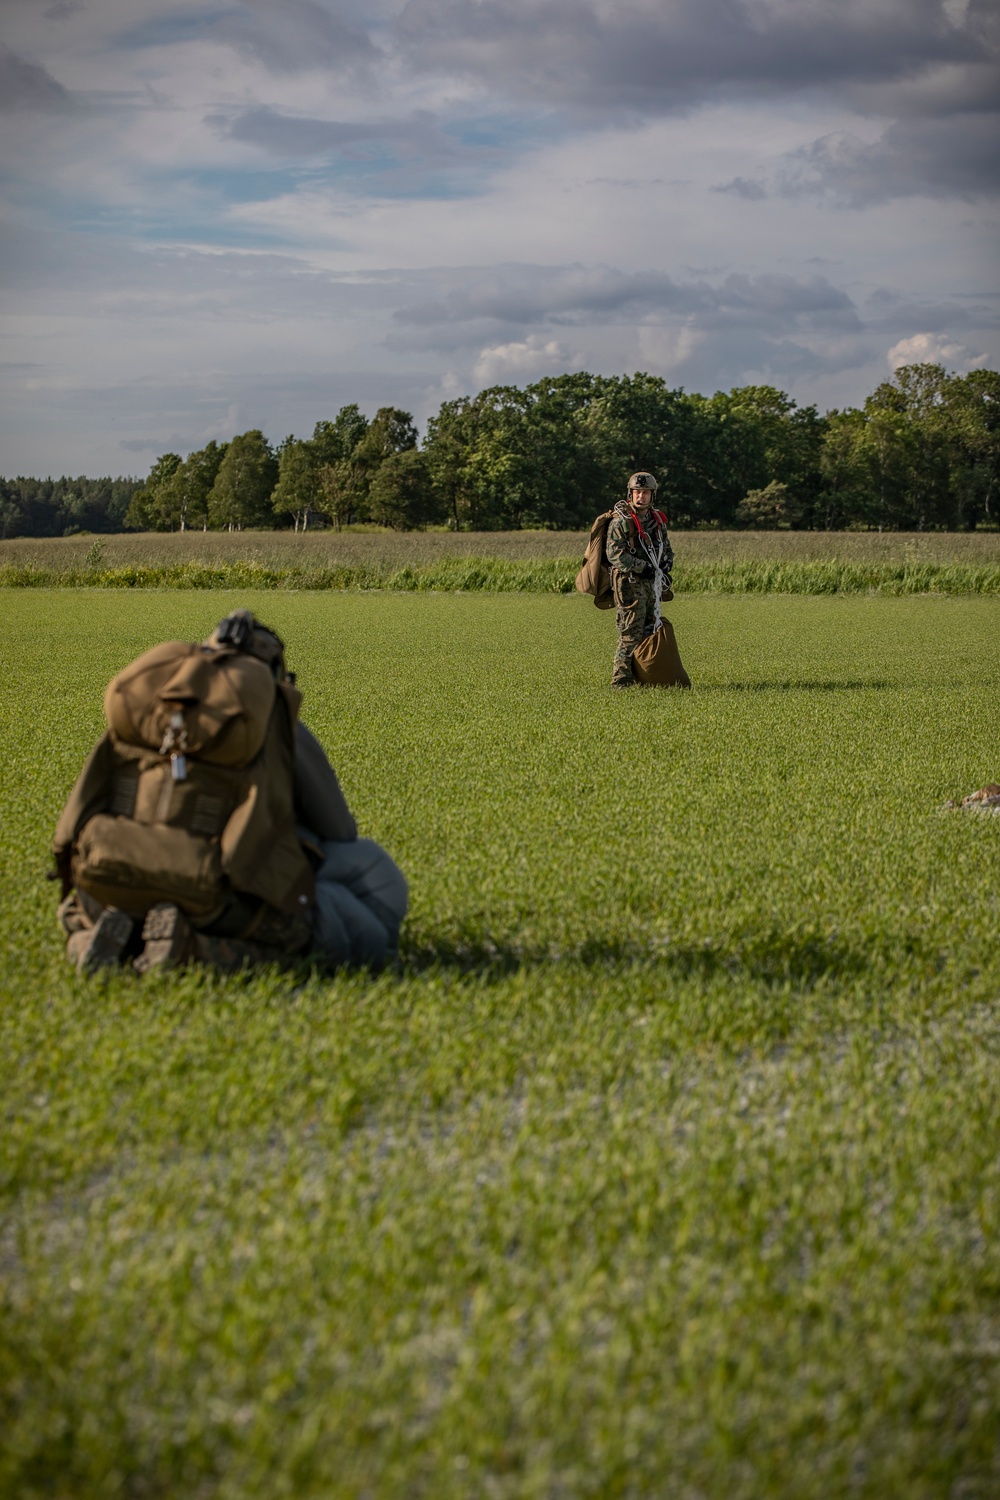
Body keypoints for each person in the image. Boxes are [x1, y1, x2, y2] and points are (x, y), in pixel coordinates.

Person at [54, 609, 408, 976]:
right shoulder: (271, 716)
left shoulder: (144, 712)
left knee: (74, 912)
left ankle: (91, 943)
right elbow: (339, 829)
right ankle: (190, 948)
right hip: (209, 891)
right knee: (312, 941)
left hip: (108, 874)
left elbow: (78, 809)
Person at [605, 471, 674, 689]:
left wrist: (665, 567)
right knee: (630, 632)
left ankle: (645, 676)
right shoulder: (621, 521)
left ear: (652, 495)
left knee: (650, 629)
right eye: (637, 492)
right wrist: (642, 567)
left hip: (651, 583)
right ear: (630, 494)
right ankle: (621, 680)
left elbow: (666, 549)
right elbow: (614, 554)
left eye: (645, 492)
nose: (640, 497)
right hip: (629, 584)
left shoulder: (657, 521)